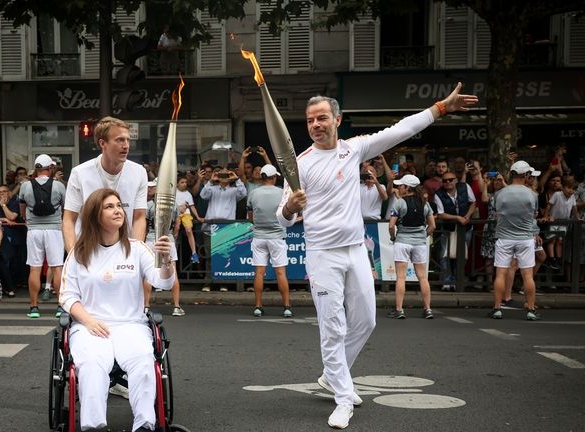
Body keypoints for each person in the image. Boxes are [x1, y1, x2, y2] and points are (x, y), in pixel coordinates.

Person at [276, 84, 477, 429]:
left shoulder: (354, 149)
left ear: (337, 119)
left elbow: (401, 129)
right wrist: (291, 208)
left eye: (322, 117)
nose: (316, 125)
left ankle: (331, 375)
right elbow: (283, 216)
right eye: (310, 120)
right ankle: (342, 398)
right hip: (322, 254)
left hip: (355, 250)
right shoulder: (300, 165)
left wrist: (441, 108)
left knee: (366, 321)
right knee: (332, 327)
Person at [58, 188, 175, 432]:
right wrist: (89, 321)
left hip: (131, 324)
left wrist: (165, 260)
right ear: (94, 215)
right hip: (90, 327)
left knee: (144, 361)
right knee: (91, 364)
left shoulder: (137, 249)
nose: (118, 210)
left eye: (119, 205)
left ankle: (144, 424)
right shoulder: (79, 254)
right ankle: (93, 425)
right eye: (109, 206)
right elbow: (68, 296)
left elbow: (162, 282)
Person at [63, 116, 148, 252]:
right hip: (88, 250)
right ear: (103, 143)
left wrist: (135, 256)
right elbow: (69, 219)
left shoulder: (139, 172)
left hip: (123, 251)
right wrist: (74, 257)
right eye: (119, 140)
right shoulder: (80, 173)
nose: (126, 145)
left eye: (128, 140)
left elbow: (139, 217)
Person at [490, 161, 543, 321]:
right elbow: (533, 216)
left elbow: (498, 213)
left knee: (500, 273)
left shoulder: (500, 194)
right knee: (528, 275)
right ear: (526, 175)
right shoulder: (532, 194)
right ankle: (531, 309)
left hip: (505, 238)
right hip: (525, 238)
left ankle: (497, 308)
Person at [19, 154, 66, 318]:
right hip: (54, 230)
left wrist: (27, 220)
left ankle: (33, 307)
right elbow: (66, 210)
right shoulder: (59, 186)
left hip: (34, 231)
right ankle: (61, 306)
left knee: (34, 268)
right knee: (57, 267)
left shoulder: (25, 186)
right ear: (50, 168)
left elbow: (22, 209)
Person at [387, 175, 436, 319]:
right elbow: (432, 226)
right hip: (420, 243)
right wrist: (423, 236)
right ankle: (428, 309)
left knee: (401, 277)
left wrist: (393, 237)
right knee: (423, 277)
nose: (399, 188)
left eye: (401, 185)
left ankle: (399, 309)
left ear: (407, 188)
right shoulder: (425, 203)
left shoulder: (400, 203)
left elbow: (391, 225)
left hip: (402, 241)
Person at [247, 164, 291, 318]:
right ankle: (286, 307)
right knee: (280, 272)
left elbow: (250, 216)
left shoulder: (253, 193)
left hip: (259, 236)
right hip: (277, 237)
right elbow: (288, 214)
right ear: (273, 177)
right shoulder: (282, 193)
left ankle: (258, 306)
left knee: (259, 273)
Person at [199, 165, 246, 292]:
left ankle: (223, 283)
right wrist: (211, 180)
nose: (224, 176)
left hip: (226, 228)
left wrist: (236, 179)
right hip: (210, 227)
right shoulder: (212, 189)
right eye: (221, 174)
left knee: (224, 255)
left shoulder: (234, 190)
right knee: (209, 256)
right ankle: (208, 283)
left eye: (226, 174)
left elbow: (243, 193)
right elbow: (203, 195)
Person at [144, 179, 184, 316]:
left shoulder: (149, 205)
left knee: (148, 274)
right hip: (169, 239)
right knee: (173, 272)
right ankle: (177, 307)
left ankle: (146, 306)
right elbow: (177, 225)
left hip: (151, 240)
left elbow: (144, 226)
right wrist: (173, 236)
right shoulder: (174, 205)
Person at [434, 171, 477, 291]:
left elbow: (473, 202)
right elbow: (441, 214)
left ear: (456, 180)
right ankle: (447, 282)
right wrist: (457, 218)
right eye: (445, 180)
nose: (448, 182)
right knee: (445, 255)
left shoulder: (465, 187)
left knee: (461, 255)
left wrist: (467, 216)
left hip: (465, 228)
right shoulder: (439, 194)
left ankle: (457, 280)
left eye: (450, 179)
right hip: (448, 228)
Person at [0, 183, 23, 297]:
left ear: (9, 192)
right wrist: (4, 219)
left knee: (15, 262)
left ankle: (13, 284)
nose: (2, 193)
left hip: (15, 237)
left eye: (4, 191)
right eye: (0, 192)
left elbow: (12, 217)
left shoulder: (15, 203)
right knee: (5, 262)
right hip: (1, 237)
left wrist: (4, 206)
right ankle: (7, 286)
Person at [542, 177, 579, 271]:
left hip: (564, 222)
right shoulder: (557, 194)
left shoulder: (572, 197)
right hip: (554, 220)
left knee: (560, 241)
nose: (571, 191)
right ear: (563, 187)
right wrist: (546, 217)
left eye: (573, 189)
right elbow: (549, 205)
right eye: (569, 188)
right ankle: (551, 258)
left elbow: (574, 209)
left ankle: (558, 259)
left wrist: (577, 218)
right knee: (552, 240)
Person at [173, 176, 203, 264]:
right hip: (176, 213)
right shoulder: (173, 191)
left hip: (186, 214)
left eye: (185, 182)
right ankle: (173, 252)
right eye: (182, 182)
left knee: (189, 230)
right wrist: (179, 208)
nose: (184, 184)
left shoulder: (188, 194)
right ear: (177, 183)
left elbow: (192, 206)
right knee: (176, 231)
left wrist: (197, 217)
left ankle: (194, 253)